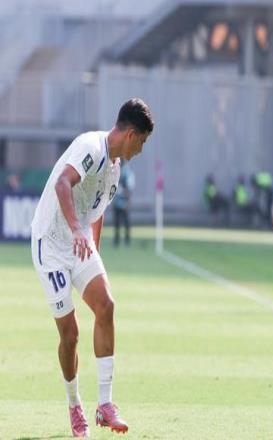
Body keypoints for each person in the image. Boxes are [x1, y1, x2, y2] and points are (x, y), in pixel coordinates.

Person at [31, 98, 154, 437]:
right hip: (51, 244)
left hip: (79, 243)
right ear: (130, 134)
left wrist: (93, 257)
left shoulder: (114, 170)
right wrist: (75, 230)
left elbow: (96, 214)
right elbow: (62, 184)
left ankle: (105, 404)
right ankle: (74, 404)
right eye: (142, 141)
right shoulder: (91, 147)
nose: (141, 150)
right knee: (70, 335)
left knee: (106, 305)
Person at [113, 159, 135, 246]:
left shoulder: (127, 172)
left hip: (124, 202)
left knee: (126, 222)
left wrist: (128, 202)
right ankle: (117, 239)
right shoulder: (115, 170)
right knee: (117, 222)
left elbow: (129, 189)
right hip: (117, 201)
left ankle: (127, 239)